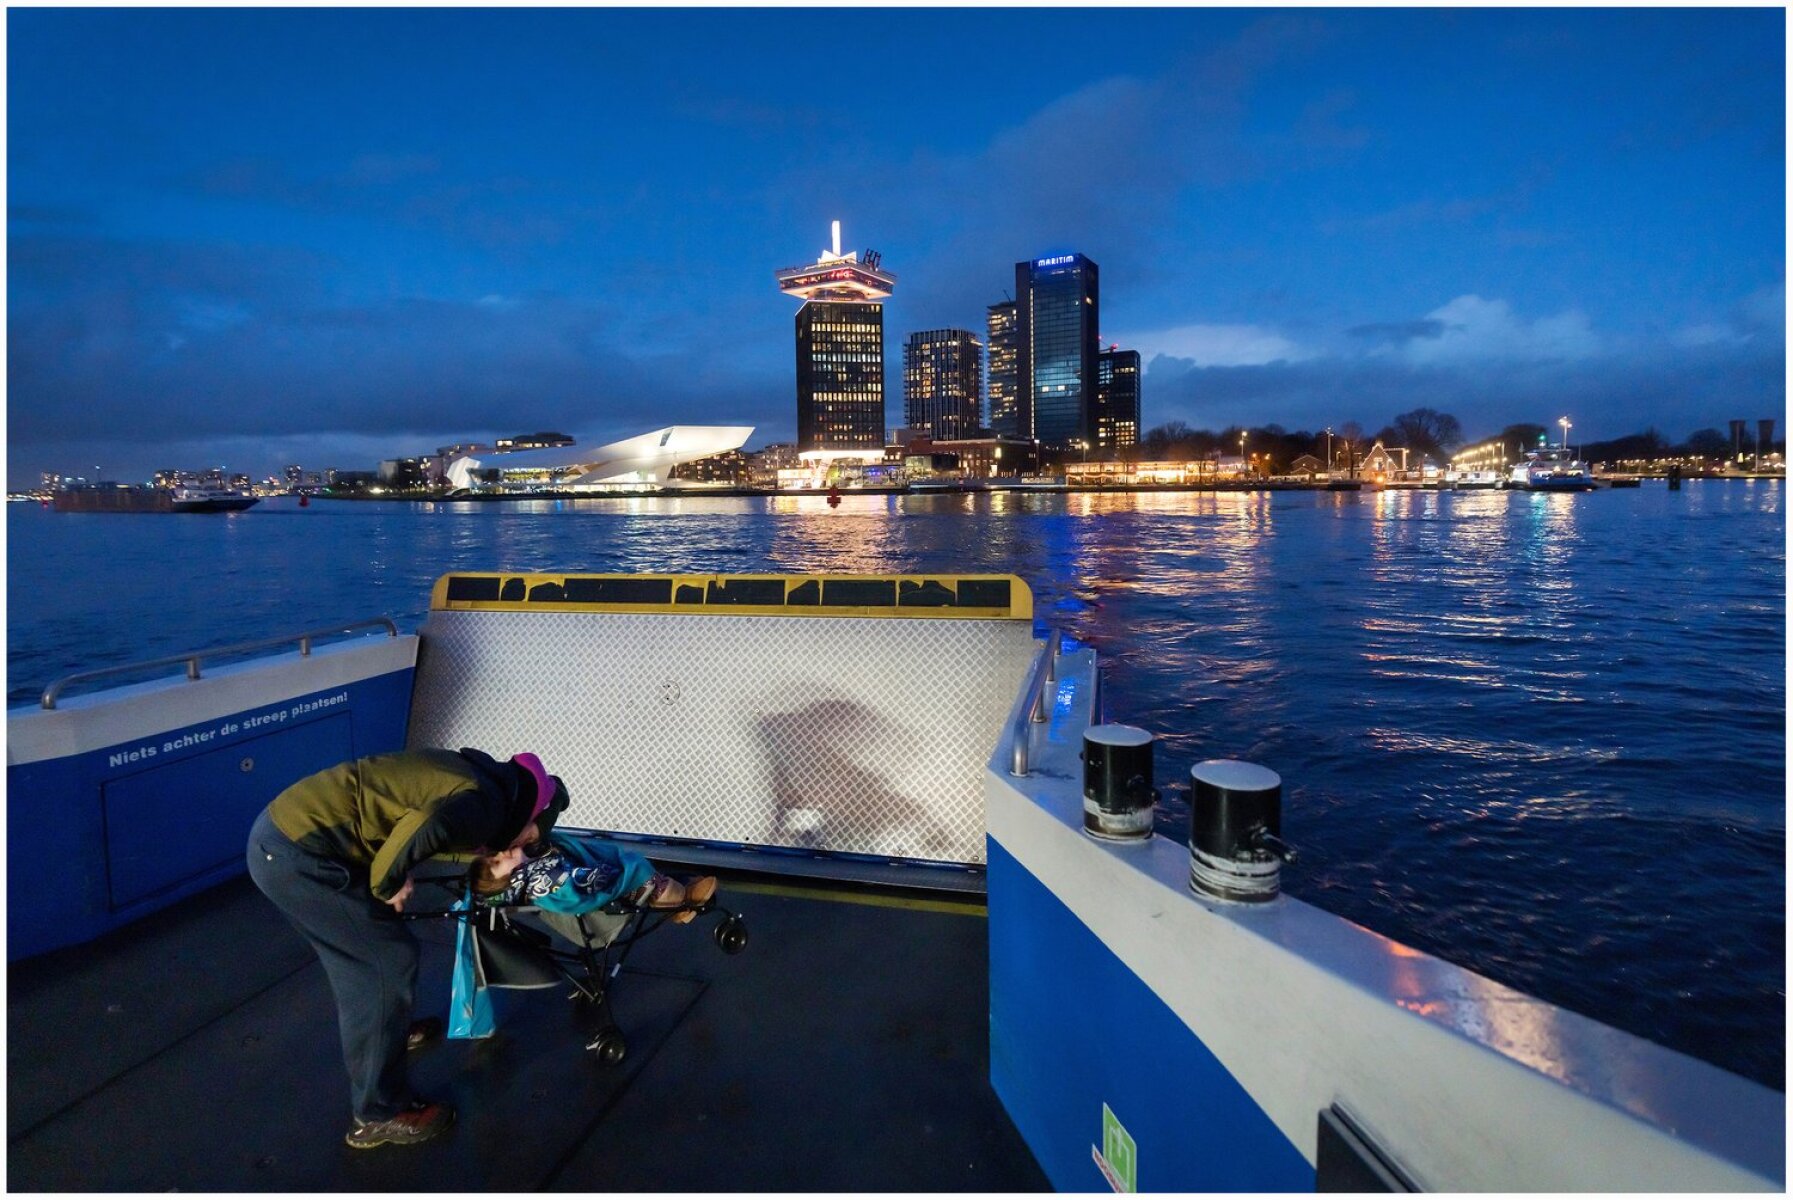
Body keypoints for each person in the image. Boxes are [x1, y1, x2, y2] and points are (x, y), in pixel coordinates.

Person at [245, 746, 568, 1150]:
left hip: (290, 837)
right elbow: (429, 824)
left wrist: (472, 857)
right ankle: (378, 1113)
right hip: (298, 854)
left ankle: (388, 1029)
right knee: (383, 964)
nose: (520, 851)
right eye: (530, 839)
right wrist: (390, 881)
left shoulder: (487, 783)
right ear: (527, 815)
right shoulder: (486, 805)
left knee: (366, 950)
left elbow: (437, 823)